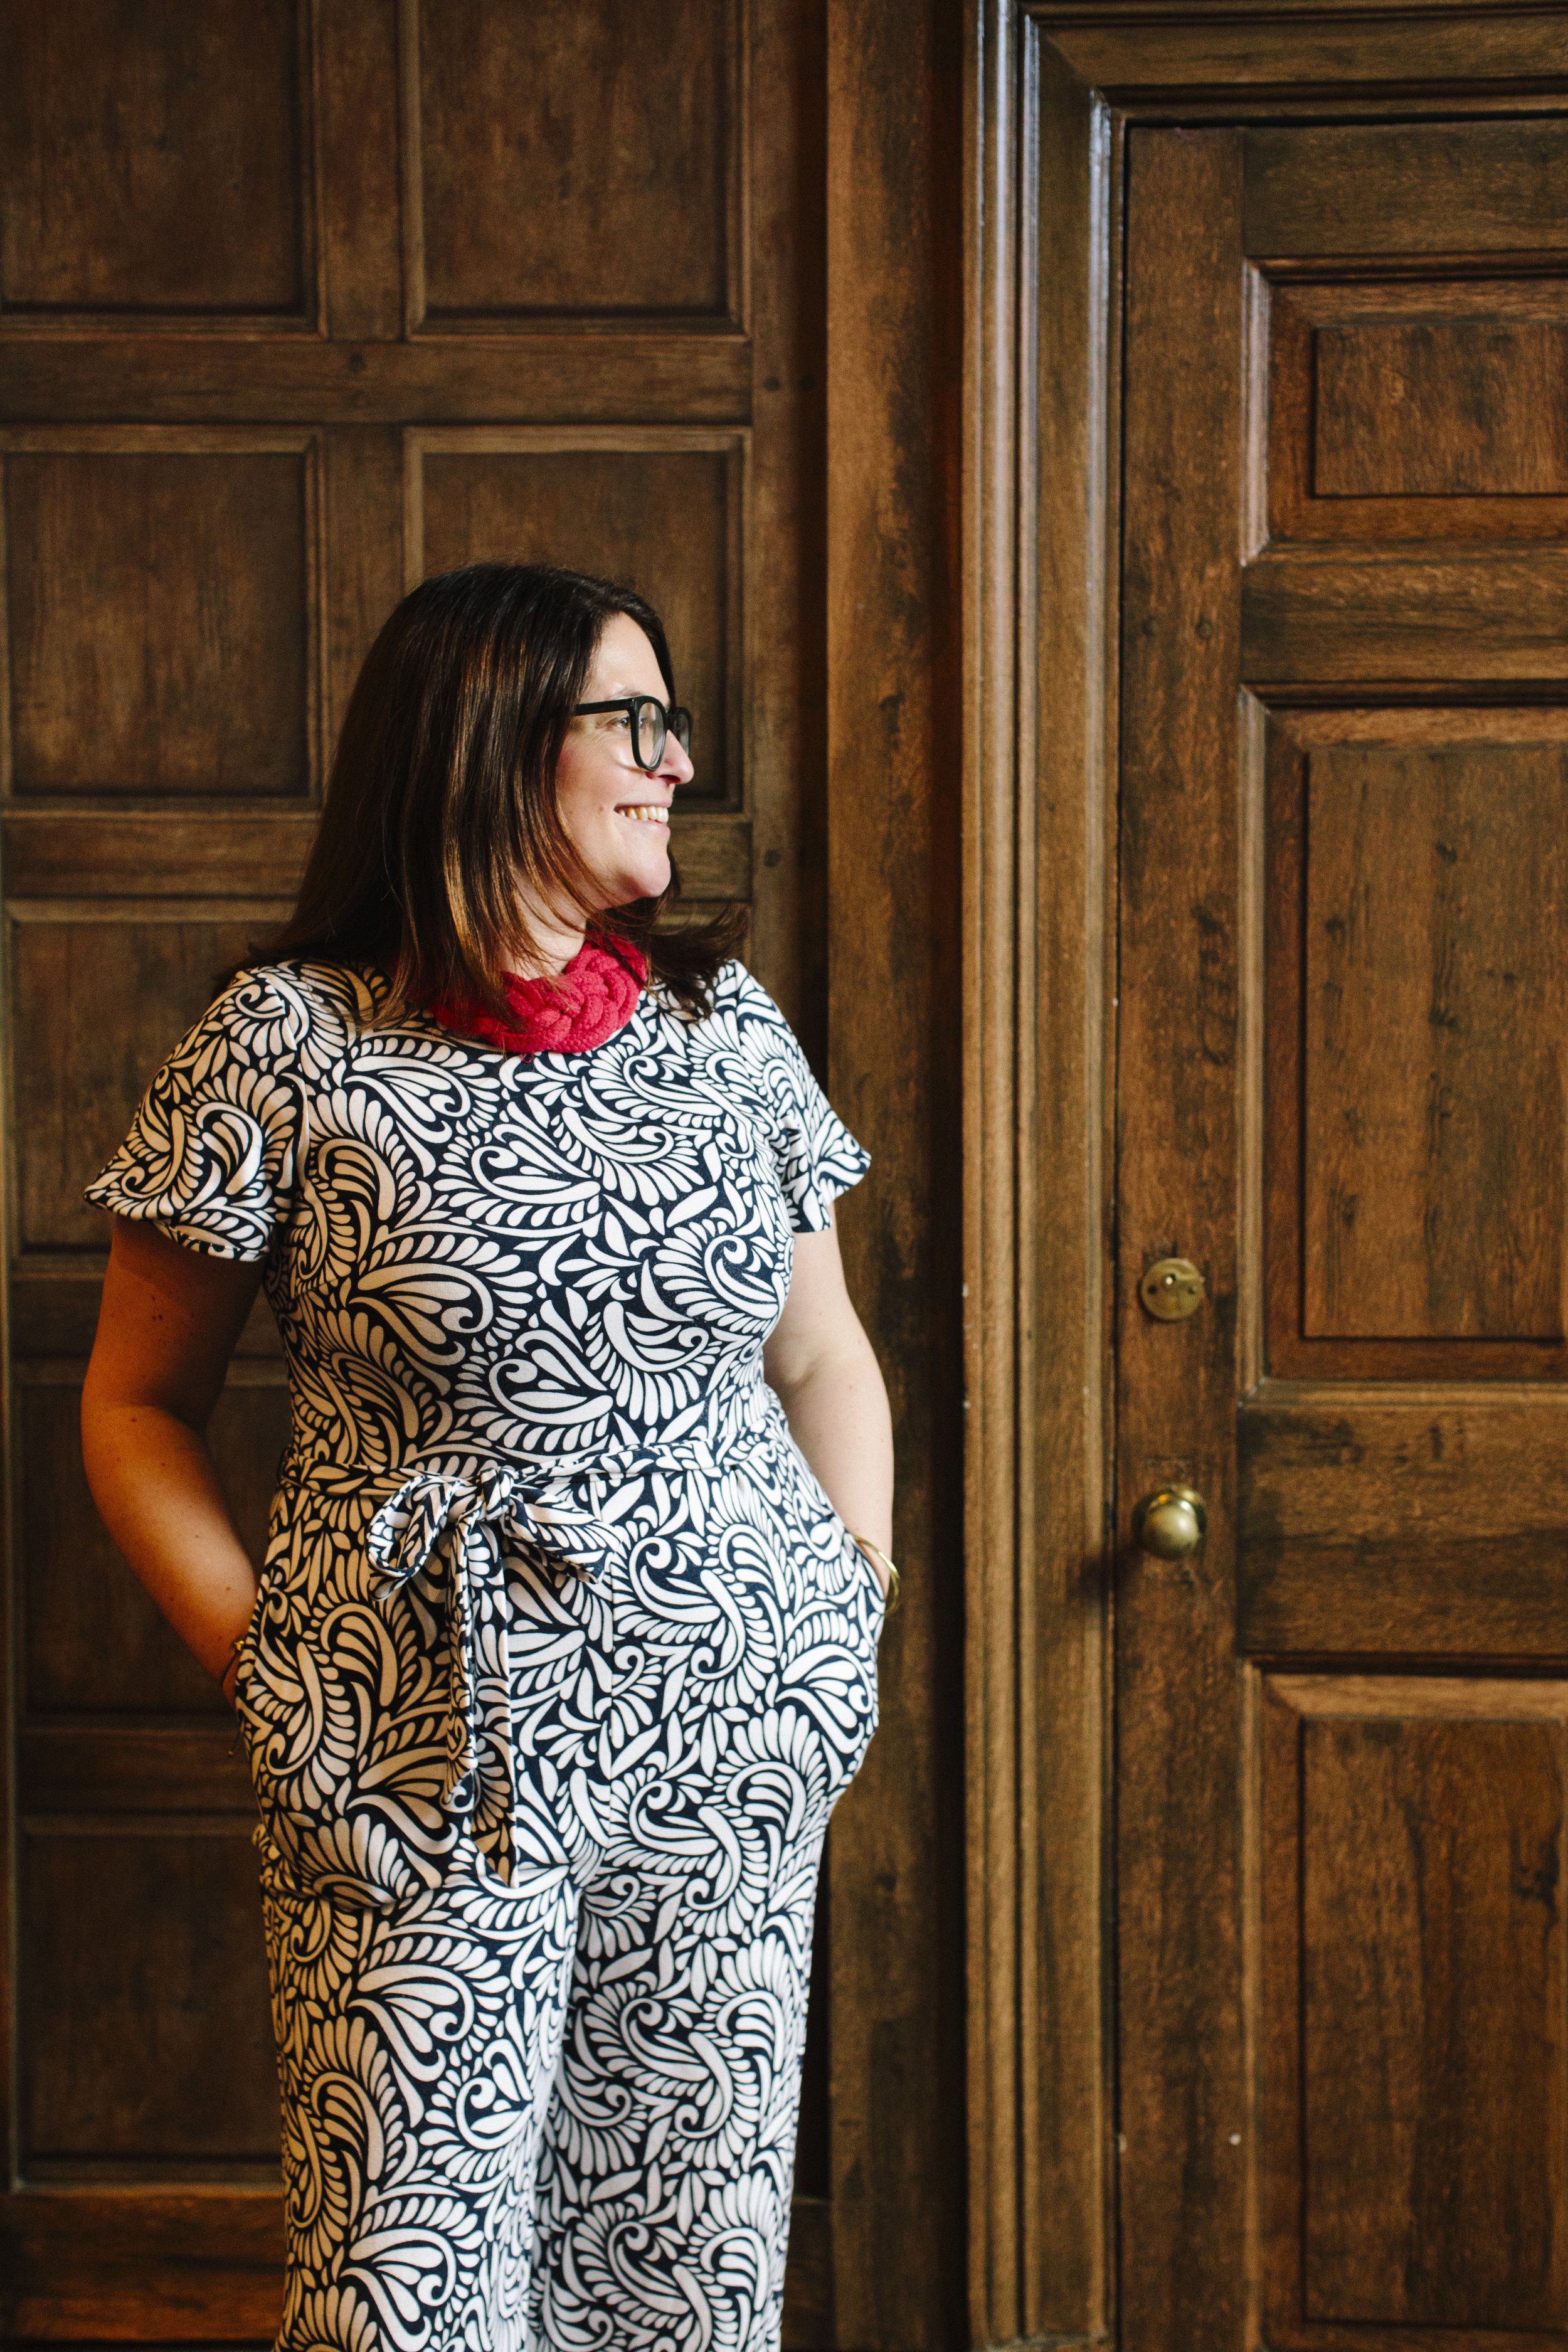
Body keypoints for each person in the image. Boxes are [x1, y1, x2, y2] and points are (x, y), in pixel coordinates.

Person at [78, 561, 896, 2352]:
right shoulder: (280, 1045)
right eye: (637, 722)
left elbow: (821, 1346)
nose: (676, 762)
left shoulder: (720, 1026)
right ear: (489, 739)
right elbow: (135, 1409)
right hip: (420, 1740)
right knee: (413, 2288)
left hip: (734, 1723)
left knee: (686, 2268)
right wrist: (276, 1674)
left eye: (669, 726)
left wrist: (849, 1606)